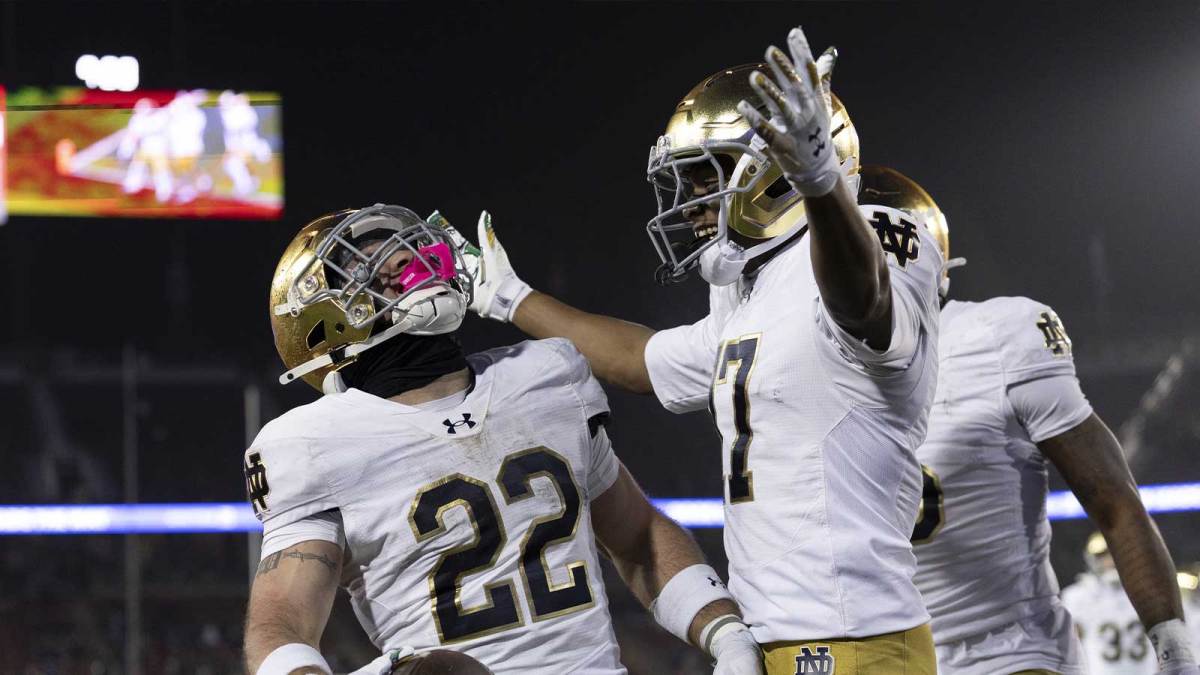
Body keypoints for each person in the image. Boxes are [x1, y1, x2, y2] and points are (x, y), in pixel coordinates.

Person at [446, 27, 945, 674]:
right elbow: (642, 360)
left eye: (705, 177)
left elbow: (866, 306)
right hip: (778, 639)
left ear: (774, 166)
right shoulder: (752, 287)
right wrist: (511, 298)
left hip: (856, 643)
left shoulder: (876, 233)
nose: (689, 205)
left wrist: (822, 184)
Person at [240, 204, 760, 675]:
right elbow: (280, 624)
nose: (401, 260)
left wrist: (725, 632)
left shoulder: (546, 375)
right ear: (319, 324)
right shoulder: (313, 442)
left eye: (401, 246)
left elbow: (639, 539)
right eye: (365, 263)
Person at [886, 168, 1200, 675]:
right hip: (888, 658)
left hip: (1008, 654)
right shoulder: (805, 367)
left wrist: (1176, 653)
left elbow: (1113, 499)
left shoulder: (996, 336)